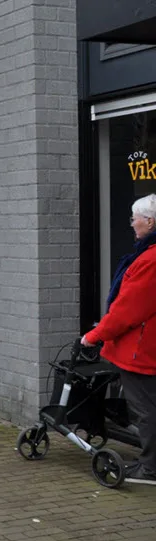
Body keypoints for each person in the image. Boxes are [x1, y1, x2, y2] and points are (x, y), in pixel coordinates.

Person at [82, 193, 156, 486]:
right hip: (146, 345)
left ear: (149, 222)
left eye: (134, 218)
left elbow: (127, 310)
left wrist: (94, 335)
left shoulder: (149, 260)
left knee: (146, 411)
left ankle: (150, 468)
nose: (132, 224)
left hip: (142, 350)